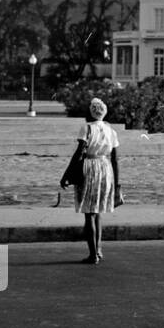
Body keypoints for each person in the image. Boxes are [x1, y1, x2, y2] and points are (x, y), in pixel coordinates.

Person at [62, 97, 122, 263]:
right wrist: (117, 184)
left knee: (89, 213)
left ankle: (93, 254)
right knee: (98, 212)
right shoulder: (111, 130)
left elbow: (79, 152)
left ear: (90, 112)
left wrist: (66, 174)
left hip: (90, 167)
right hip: (106, 167)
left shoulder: (86, 129)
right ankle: (99, 249)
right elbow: (116, 159)